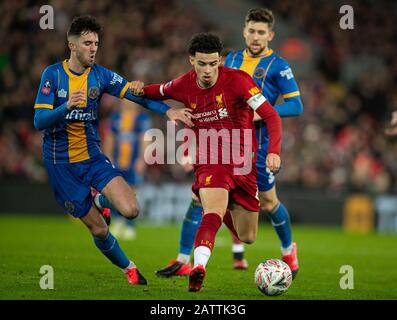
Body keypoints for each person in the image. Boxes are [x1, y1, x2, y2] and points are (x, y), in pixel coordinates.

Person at [33, 15, 192, 285]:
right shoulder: (53, 75)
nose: (93, 48)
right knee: (99, 228)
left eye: (96, 42)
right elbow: (39, 121)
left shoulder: (101, 75)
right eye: (87, 43)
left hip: (92, 156)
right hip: (61, 165)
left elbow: (134, 95)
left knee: (131, 209)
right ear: (72, 46)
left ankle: (100, 200)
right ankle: (128, 268)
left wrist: (168, 110)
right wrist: (66, 107)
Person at [155, 8, 303, 279]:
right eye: (252, 31)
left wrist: (263, 111)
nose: (256, 37)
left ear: (270, 35)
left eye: (262, 32)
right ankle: (183, 259)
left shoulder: (280, 66)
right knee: (198, 197)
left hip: (257, 144)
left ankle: (287, 251)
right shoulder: (230, 60)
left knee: (269, 202)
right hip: (222, 143)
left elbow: (296, 105)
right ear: (244, 31)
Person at [131, 32, 282, 292]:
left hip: (244, 164)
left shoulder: (239, 81)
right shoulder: (182, 84)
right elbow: (153, 92)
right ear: (192, 60)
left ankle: (220, 207)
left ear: (220, 61)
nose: (208, 70)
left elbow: (271, 116)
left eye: (213, 63)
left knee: (248, 237)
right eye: (202, 63)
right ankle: (198, 266)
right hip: (212, 160)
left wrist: (274, 151)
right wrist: (137, 89)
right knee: (211, 212)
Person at [93, 100, 151, 240]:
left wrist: (142, 159)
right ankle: (118, 222)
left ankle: (130, 226)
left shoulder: (142, 118)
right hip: (117, 161)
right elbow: (110, 138)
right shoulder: (116, 117)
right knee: (115, 191)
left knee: (132, 192)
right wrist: (108, 157)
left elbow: (145, 139)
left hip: (133, 162)